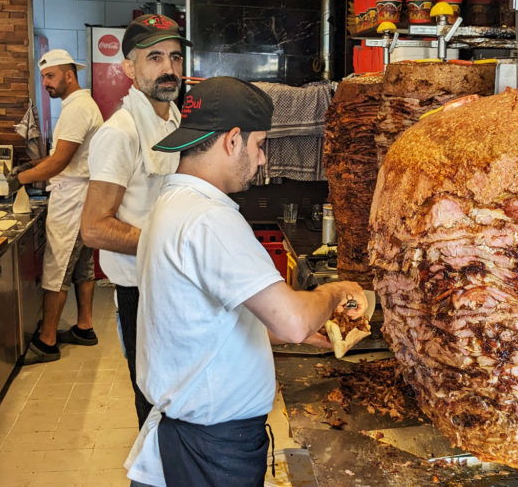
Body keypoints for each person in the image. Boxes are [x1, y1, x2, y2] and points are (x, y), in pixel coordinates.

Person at [125, 77, 366, 487]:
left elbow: (200, 320)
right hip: (210, 449)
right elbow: (292, 318)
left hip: (198, 437)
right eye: (259, 145)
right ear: (232, 141)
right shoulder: (209, 218)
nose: (261, 160)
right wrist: (334, 292)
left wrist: (284, 333)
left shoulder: (172, 202)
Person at [81, 14, 191, 427]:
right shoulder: (121, 133)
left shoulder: (173, 120)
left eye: (175, 58)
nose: (169, 69)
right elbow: (93, 227)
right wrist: (167, 244)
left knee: (178, 393)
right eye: (155, 58)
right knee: (153, 398)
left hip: (173, 280)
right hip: (140, 290)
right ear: (129, 67)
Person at [18, 49, 104, 364]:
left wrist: (20, 179)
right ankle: (84, 327)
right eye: (43, 77)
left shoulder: (77, 108)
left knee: (57, 268)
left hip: (73, 197)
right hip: (83, 192)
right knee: (81, 265)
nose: (45, 83)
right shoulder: (80, 104)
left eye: (50, 76)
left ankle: (48, 340)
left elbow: (60, 162)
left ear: (69, 75)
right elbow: (63, 157)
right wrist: (35, 165)